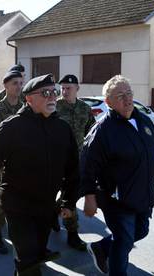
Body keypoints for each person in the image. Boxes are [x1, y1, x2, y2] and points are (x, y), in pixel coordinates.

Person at [0, 74, 79, 276]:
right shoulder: (12, 127)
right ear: (29, 99)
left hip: (46, 206)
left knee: (34, 256)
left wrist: (68, 201)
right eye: (46, 93)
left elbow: (73, 168)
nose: (52, 97)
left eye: (54, 92)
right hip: (18, 205)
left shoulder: (62, 128)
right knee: (29, 260)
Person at [81, 75, 154, 276]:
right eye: (120, 96)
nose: (127, 99)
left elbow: (153, 155)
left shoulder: (144, 121)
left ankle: (101, 248)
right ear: (108, 102)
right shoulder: (102, 130)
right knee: (123, 241)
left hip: (143, 195)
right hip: (116, 199)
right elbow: (87, 165)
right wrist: (89, 197)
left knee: (141, 231)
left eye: (129, 94)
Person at [53, 74, 96, 251]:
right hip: (56, 160)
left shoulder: (85, 109)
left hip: (76, 161)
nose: (65, 91)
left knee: (70, 196)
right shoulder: (54, 107)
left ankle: (72, 234)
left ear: (77, 89)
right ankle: (51, 214)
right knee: (53, 193)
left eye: (68, 88)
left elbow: (91, 133)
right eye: (62, 87)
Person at [0, 70, 24, 254]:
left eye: (20, 83)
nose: (19, 86)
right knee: (0, 202)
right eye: (15, 83)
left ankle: (19, 236)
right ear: (6, 86)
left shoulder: (25, 108)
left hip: (22, 164)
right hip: (3, 165)